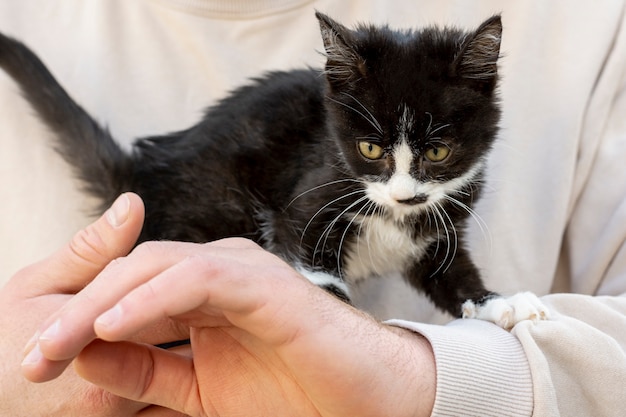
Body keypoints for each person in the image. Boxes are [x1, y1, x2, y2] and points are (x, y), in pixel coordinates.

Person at [1, 0, 625, 415]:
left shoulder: (586, 28)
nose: (404, 189)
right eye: (375, 152)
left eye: (434, 157)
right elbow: (309, 240)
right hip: (205, 202)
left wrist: (423, 375)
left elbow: (431, 256)